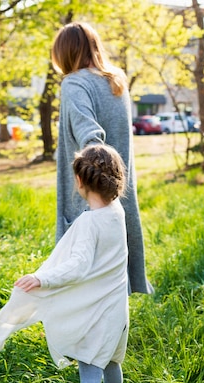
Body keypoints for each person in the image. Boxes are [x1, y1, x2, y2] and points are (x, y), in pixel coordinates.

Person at [0, 144, 129, 383]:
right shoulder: (117, 213)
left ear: (80, 182)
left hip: (95, 310)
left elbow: (78, 266)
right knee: (113, 361)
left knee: (89, 372)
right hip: (117, 307)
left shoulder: (90, 223)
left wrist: (42, 279)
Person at [51, 21, 153, 295]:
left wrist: (89, 180)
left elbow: (91, 135)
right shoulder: (116, 81)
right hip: (118, 192)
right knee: (112, 269)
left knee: (83, 272)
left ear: (64, 53)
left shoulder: (74, 83)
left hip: (90, 195)